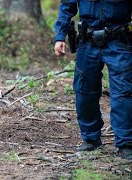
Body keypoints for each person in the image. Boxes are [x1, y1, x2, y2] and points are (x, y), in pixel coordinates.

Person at [54, 0, 132, 159]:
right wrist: (60, 36)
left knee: (124, 94)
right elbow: (67, 5)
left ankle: (126, 143)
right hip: (87, 40)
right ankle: (91, 139)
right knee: (84, 91)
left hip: (119, 39)